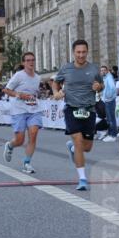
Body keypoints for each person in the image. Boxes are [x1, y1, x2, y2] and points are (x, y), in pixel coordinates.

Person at [51, 39, 103, 191]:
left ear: (87, 52)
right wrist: (56, 93)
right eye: (78, 52)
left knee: (87, 147)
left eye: (83, 52)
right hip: (71, 109)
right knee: (79, 141)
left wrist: (99, 87)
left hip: (89, 110)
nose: (81, 55)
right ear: (73, 52)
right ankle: (82, 179)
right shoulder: (66, 68)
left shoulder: (94, 69)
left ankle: (72, 148)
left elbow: (101, 85)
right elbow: (55, 83)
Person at [3, 51, 42, 174]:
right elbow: (6, 90)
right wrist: (19, 95)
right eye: (28, 60)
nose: (31, 62)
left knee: (33, 134)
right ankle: (10, 145)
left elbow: (35, 93)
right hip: (19, 110)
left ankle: (27, 163)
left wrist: (34, 97)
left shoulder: (38, 77)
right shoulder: (18, 76)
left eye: (32, 60)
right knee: (20, 140)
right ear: (23, 63)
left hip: (34, 110)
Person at [100, 65, 118, 142]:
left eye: (104, 70)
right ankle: (111, 134)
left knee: (111, 119)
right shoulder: (105, 78)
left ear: (107, 71)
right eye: (101, 70)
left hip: (110, 100)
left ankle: (113, 135)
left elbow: (113, 88)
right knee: (109, 118)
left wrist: (108, 96)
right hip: (107, 100)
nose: (103, 71)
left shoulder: (109, 77)